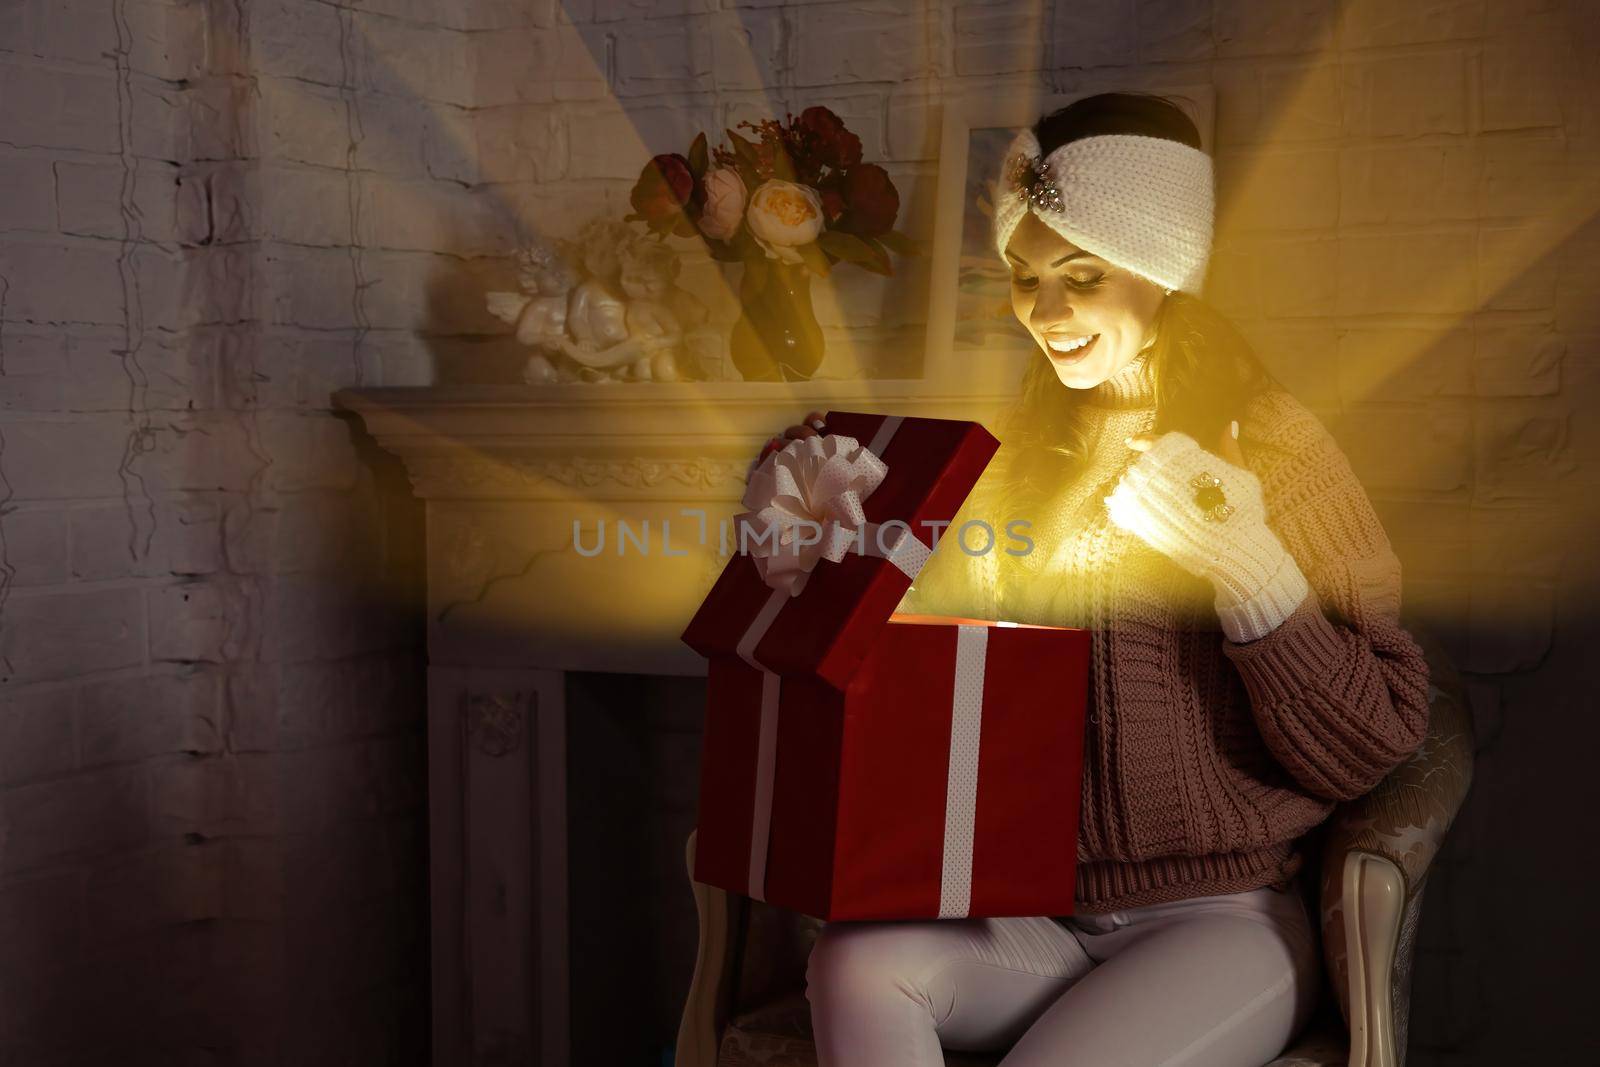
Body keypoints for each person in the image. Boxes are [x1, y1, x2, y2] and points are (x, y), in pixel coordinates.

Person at [748, 92, 1432, 1066]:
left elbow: (1373, 741)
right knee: (855, 966)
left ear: (1167, 275)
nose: (1047, 312)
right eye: (1025, 278)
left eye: (1080, 274)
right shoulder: (1011, 452)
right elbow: (925, 680)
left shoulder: (1274, 444)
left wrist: (1246, 565)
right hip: (1032, 914)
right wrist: (827, 557)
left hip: (1222, 921)